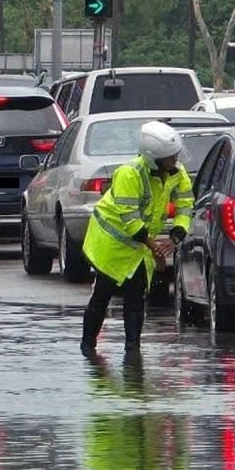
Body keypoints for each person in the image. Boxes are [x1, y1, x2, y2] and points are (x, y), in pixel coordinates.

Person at [80, 121, 193, 359]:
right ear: (154, 159)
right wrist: (156, 248)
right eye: (170, 158)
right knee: (103, 293)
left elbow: (185, 205)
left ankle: (132, 351)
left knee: (136, 297)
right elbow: (129, 220)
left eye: (175, 155)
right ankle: (88, 348)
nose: (175, 161)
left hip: (140, 245)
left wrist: (176, 236)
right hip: (111, 244)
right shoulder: (129, 174)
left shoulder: (176, 173)